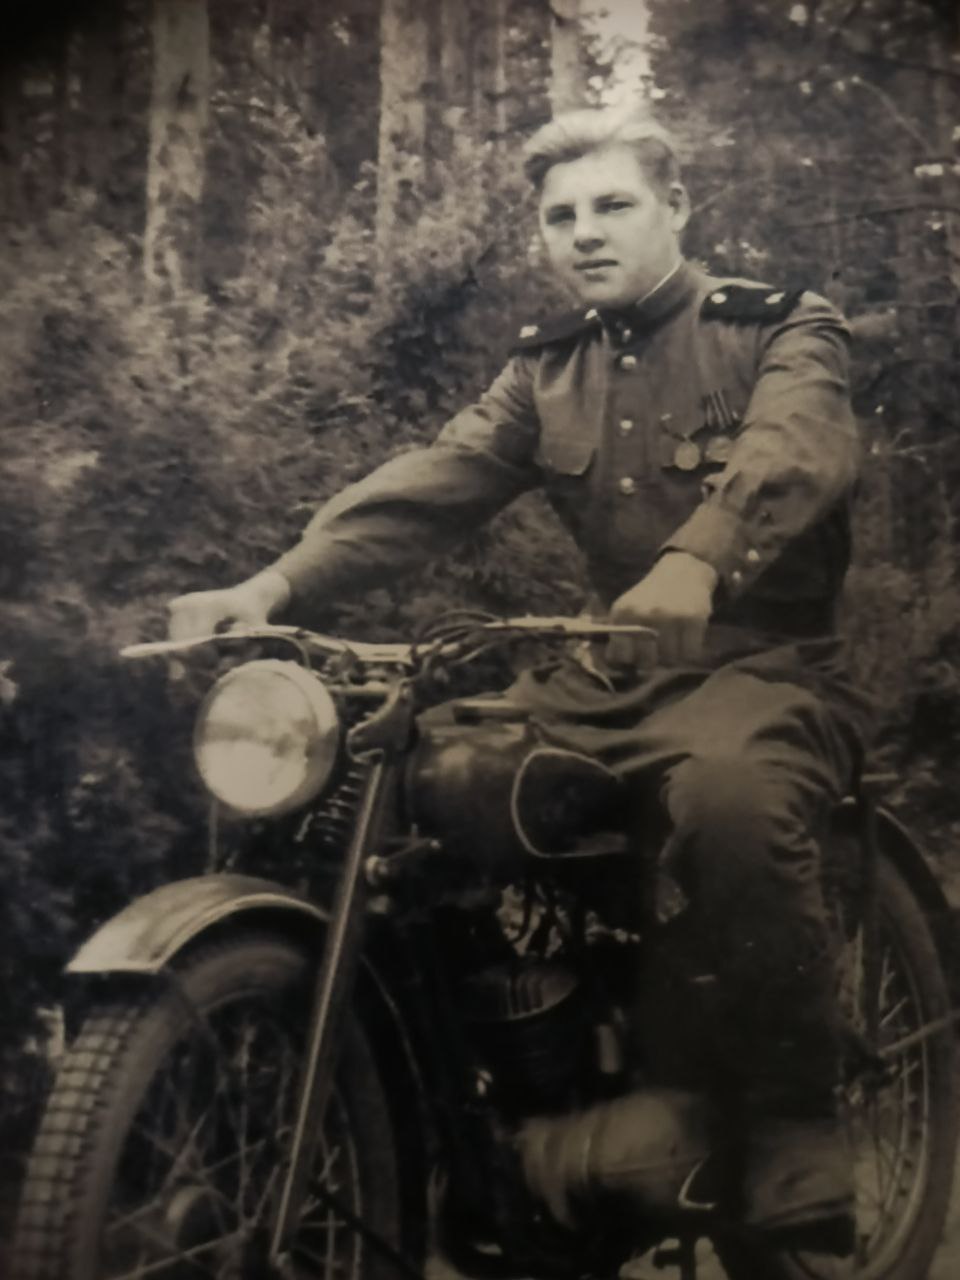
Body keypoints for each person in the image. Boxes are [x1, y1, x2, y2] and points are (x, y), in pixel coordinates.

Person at [168, 109, 867, 1256]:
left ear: (676, 206)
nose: (584, 232)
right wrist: (272, 585)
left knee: (733, 800)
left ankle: (794, 1113)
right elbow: (432, 482)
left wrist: (699, 559)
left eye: (612, 205)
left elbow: (795, 448)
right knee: (412, 770)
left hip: (765, 671)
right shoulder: (548, 368)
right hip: (608, 677)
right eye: (560, 215)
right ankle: (485, 1096)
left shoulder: (778, 324)